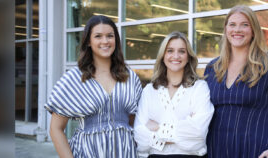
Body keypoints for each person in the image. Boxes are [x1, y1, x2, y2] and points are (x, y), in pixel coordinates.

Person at [204, 5, 268, 158]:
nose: (237, 30)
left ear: (253, 30)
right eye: (232, 24)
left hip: (257, 150)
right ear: (226, 29)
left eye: (245, 25)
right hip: (215, 150)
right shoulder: (213, 67)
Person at [45, 15, 142, 158]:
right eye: (98, 36)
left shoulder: (130, 77)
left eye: (110, 36)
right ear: (89, 42)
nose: (105, 41)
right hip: (87, 153)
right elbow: (56, 128)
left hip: (126, 153)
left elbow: (135, 122)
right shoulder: (74, 78)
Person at [134, 31, 214, 158]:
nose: (175, 56)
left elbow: (197, 134)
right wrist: (181, 131)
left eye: (182, 51)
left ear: (188, 56)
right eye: (170, 51)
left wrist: (157, 128)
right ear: (163, 55)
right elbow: (140, 137)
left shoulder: (199, 88)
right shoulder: (149, 90)